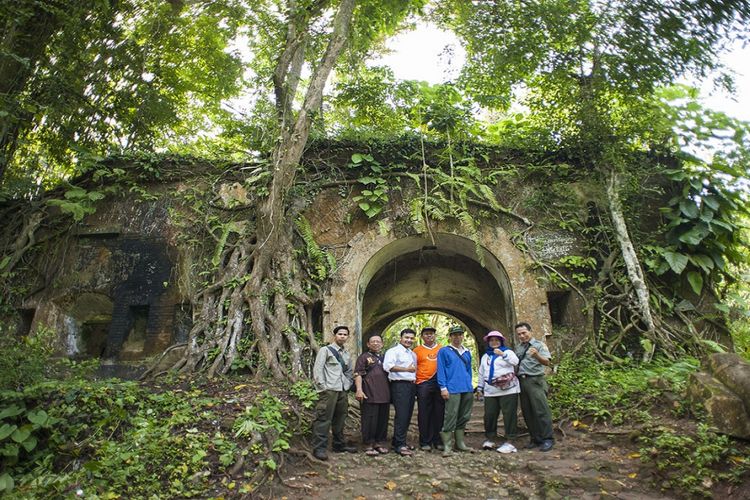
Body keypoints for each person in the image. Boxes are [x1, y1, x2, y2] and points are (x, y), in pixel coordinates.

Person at [311, 325, 357, 460]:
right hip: (329, 389)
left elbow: (349, 371)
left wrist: (347, 384)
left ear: (348, 337)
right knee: (324, 418)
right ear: (335, 335)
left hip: (342, 390)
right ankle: (319, 448)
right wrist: (322, 387)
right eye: (340, 334)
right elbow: (318, 369)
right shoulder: (325, 350)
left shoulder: (346, 354)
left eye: (345, 335)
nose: (342, 336)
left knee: (340, 418)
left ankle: (339, 444)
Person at [476, 330, 520, 454]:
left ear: (501, 341)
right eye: (491, 340)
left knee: (509, 415)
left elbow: (515, 362)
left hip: (508, 390)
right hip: (491, 390)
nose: (494, 342)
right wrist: (480, 388)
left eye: (496, 340)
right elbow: (482, 372)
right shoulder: (486, 356)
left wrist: (502, 354)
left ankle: (510, 441)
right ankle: (490, 438)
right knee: (489, 415)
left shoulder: (507, 352)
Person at [514, 322, 554, 452]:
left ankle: (548, 439)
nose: (522, 336)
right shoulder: (518, 348)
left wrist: (536, 355)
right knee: (528, 412)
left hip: (535, 380)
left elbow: (547, 362)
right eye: (519, 334)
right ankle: (535, 438)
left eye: (524, 333)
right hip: (522, 381)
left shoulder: (539, 345)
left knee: (541, 410)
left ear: (530, 332)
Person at [437, 325, 475, 457]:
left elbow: (469, 370)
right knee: (450, 415)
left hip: (467, 388)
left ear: (462, 336)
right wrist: (443, 387)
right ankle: (447, 446)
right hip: (452, 388)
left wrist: (470, 385)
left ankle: (460, 443)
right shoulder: (444, 351)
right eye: (454, 335)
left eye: (459, 335)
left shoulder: (467, 352)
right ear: (450, 337)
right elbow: (441, 370)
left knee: (464, 415)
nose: (457, 337)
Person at [383, 328, 418, 456]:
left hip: (411, 386)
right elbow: (388, 367)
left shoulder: (412, 354)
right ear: (401, 338)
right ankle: (399, 445)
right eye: (406, 337)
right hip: (399, 385)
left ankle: (399, 441)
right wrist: (406, 370)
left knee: (408, 415)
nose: (409, 340)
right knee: (402, 414)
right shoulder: (393, 351)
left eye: (411, 338)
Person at [354, 335, 390, 456]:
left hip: (384, 394)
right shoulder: (363, 357)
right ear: (368, 344)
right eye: (373, 341)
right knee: (369, 419)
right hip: (369, 393)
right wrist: (359, 390)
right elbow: (358, 374)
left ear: (382, 344)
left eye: (378, 341)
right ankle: (368, 443)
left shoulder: (386, 358)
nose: (375, 343)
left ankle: (379, 442)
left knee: (382, 420)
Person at [413, 326, 445, 451]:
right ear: (422, 337)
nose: (429, 336)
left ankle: (438, 440)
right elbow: (413, 367)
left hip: (439, 382)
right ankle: (424, 441)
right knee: (424, 412)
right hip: (423, 383)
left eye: (431, 334)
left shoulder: (442, 349)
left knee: (439, 412)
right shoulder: (417, 351)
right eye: (426, 334)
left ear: (435, 336)